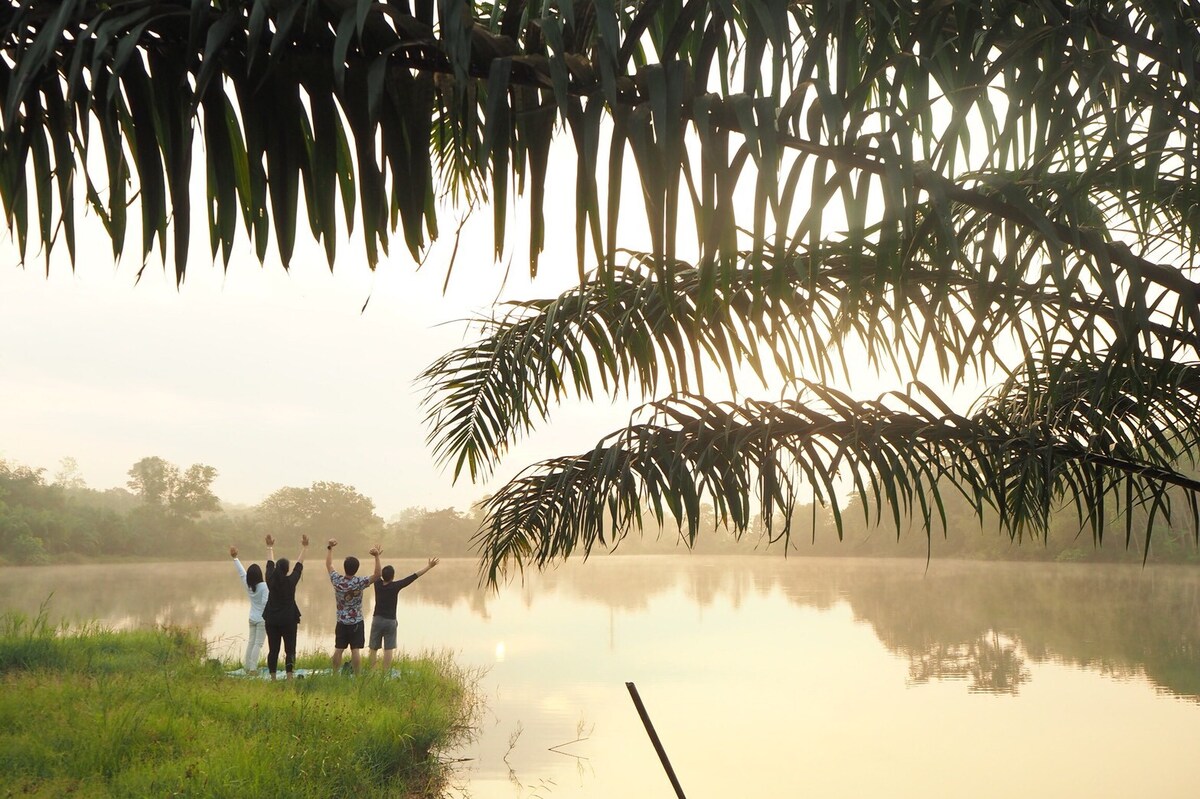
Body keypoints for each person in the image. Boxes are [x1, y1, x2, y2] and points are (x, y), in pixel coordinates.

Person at [367, 558, 439, 673]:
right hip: (390, 621)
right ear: (393, 576)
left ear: (382, 576)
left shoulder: (378, 584)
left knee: (373, 648)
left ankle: (372, 670)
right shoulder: (395, 586)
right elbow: (414, 576)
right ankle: (385, 673)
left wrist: (376, 556)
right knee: (388, 648)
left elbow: (377, 572)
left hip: (377, 619)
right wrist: (429, 567)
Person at [325, 538, 381, 676]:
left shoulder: (337, 580)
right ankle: (357, 676)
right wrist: (377, 557)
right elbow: (378, 575)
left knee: (339, 648)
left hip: (341, 621)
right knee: (355, 650)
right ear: (356, 568)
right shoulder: (359, 582)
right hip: (356, 621)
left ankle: (334, 674)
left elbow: (329, 564)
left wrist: (330, 548)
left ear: (345, 567)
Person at [263, 533, 309, 680]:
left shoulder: (270, 580)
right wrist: (304, 547)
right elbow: (299, 566)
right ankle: (289, 678)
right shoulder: (291, 582)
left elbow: (269, 564)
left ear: (277, 568)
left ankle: (273, 678)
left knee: (273, 650)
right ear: (287, 569)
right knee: (290, 650)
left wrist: (270, 547)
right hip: (289, 620)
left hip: (271, 620)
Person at [229, 544, 269, 674]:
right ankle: (252, 669)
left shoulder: (248, 585)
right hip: (262, 619)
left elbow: (242, 573)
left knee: (251, 642)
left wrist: (235, 558)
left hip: (252, 618)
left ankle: (247, 667)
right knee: (258, 644)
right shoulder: (264, 586)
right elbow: (265, 604)